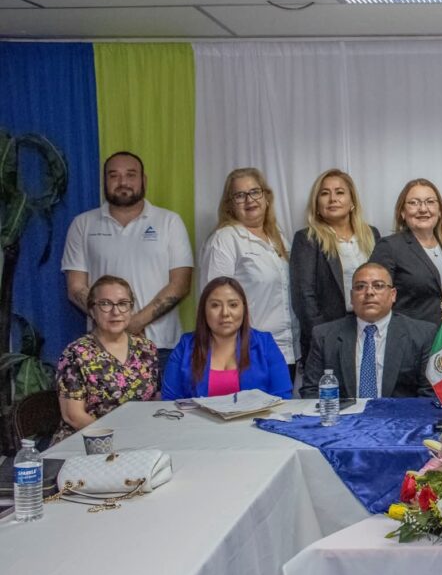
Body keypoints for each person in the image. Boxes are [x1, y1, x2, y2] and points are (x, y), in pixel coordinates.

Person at [62, 151, 193, 368]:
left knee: (163, 403)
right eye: (114, 176)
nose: (123, 182)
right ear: (104, 181)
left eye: (131, 175)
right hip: (102, 347)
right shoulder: (82, 224)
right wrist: (116, 322)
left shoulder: (169, 222)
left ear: (144, 180)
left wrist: (136, 321)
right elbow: (75, 288)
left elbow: (180, 284)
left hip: (161, 347)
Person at [200, 168, 297, 378]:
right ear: (230, 205)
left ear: (266, 197)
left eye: (255, 192)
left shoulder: (278, 237)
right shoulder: (225, 239)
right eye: (240, 195)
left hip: (287, 350)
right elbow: (212, 303)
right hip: (247, 352)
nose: (249, 200)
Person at [300, 262, 436, 399]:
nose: (369, 292)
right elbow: (311, 392)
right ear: (352, 297)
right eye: (360, 287)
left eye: (378, 285)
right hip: (344, 419)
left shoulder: (422, 334)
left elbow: (430, 394)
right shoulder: (324, 336)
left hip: (399, 418)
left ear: (393, 294)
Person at [52, 275, 158, 445]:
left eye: (123, 304)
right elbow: (73, 416)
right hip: (86, 442)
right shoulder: (76, 353)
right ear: (92, 310)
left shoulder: (146, 349)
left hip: (137, 439)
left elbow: (154, 398)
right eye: (105, 304)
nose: (115, 312)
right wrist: (117, 440)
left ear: (131, 309)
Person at [290, 169, 381, 368]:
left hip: (372, 328)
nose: (332, 199)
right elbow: (304, 297)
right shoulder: (307, 239)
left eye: (340, 192)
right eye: (324, 193)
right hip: (329, 331)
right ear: (317, 204)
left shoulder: (372, 235)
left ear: (352, 201)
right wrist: (324, 337)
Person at [370, 179, 442, 343]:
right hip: (407, 343)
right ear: (402, 212)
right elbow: (376, 300)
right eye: (414, 203)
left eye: (430, 202)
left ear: (440, 211)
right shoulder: (390, 247)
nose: (423, 209)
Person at [162, 277, 292, 400]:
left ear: (244, 308)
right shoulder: (186, 346)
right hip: (195, 423)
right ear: (203, 311)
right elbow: (170, 401)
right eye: (215, 305)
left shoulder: (265, 344)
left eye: (233, 305)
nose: (225, 313)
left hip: (253, 423)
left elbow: (282, 398)